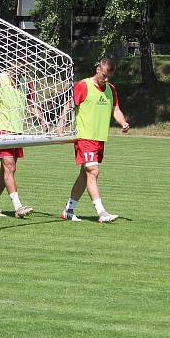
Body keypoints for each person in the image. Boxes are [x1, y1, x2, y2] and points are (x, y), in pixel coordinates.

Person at [57, 58, 129, 222]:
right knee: (93, 171)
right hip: (85, 137)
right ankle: (101, 212)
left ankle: (68, 210)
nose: (106, 79)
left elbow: (115, 109)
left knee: (85, 175)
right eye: (104, 75)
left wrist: (123, 122)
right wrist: (61, 123)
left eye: (109, 76)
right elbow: (69, 104)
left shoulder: (111, 89)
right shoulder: (83, 85)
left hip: (99, 139)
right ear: (98, 69)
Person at [0, 62, 49, 218]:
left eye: (25, 66)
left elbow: (31, 104)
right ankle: (18, 207)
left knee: (6, 171)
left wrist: (42, 119)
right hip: (1, 131)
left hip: (17, 132)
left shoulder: (26, 82)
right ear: (12, 64)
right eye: (20, 65)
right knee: (9, 167)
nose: (22, 69)